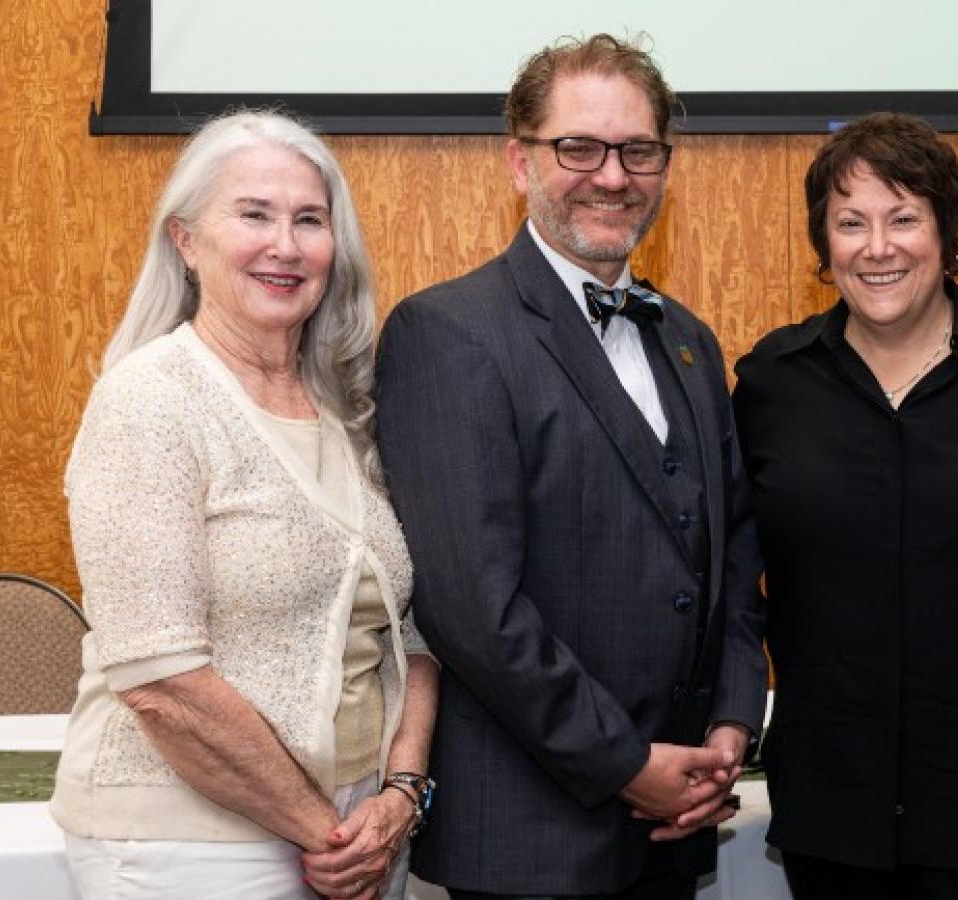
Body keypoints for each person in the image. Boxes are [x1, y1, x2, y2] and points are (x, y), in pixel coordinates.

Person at [373, 34, 768, 900]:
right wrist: (625, 764)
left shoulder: (690, 341)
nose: (613, 176)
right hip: (530, 843)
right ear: (520, 162)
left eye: (638, 151)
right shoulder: (447, 334)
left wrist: (734, 720)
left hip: (672, 829)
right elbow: (472, 609)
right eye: (579, 148)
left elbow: (732, 557)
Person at [53, 110, 440, 900]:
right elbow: (159, 677)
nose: (285, 246)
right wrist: (322, 830)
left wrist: (401, 794)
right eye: (254, 215)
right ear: (185, 241)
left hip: (361, 831)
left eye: (310, 220)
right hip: (185, 847)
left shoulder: (351, 414)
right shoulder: (150, 401)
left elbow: (408, 635)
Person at [732, 112, 958, 899]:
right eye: (850, 223)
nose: (877, 247)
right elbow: (729, 577)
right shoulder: (771, 385)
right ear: (824, 244)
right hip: (833, 820)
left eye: (904, 218)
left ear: (948, 232)